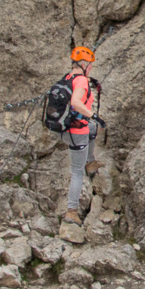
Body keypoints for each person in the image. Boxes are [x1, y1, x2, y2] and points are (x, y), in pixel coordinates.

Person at [60, 46, 100, 225]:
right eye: (90, 64)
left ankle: (90, 162)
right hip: (76, 132)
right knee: (77, 172)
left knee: (93, 128)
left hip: (63, 128)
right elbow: (76, 102)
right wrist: (93, 115)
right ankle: (72, 211)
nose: (90, 67)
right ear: (83, 64)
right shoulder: (82, 81)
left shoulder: (68, 77)